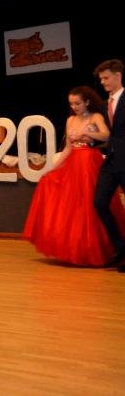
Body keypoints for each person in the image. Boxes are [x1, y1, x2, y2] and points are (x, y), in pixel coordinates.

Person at [24, 85, 125, 266]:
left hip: (89, 163)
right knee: (72, 208)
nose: (74, 107)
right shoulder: (70, 120)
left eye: (77, 103)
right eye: (71, 104)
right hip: (73, 164)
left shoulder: (95, 117)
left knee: (91, 206)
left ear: (87, 101)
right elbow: (67, 149)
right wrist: (51, 168)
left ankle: (101, 250)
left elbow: (107, 136)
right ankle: (78, 250)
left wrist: (87, 132)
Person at [92, 59, 125, 271]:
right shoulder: (106, 104)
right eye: (101, 79)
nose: (103, 82)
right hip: (112, 161)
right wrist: (90, 140)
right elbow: (110, 134)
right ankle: (120, 247)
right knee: (99, 202)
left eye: (106, 78)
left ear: (118, 76)